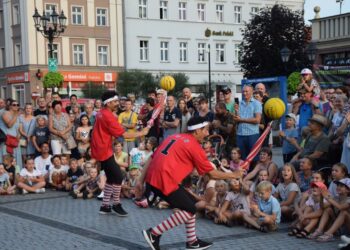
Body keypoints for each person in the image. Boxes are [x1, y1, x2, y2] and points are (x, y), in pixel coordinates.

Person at [138, 116, 243, 250]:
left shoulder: (174, 137)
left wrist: (140, 181)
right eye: (205, 130)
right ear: (196, 131)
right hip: (165, 180)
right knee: (190, 209)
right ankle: (154, 233)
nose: (207, 133)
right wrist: (234, 174)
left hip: (154, 178)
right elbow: (211, 173)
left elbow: (152, 158)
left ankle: (192, 242)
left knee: (190, 205)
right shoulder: (194, 146)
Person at [91, 91, 149, 216]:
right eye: (116, 101)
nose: (118, 103)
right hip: (104, 151)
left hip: (102, 149)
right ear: (109, 103)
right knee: (118, 177)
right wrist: (142, 133)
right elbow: (124, 134)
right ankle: (116, 204)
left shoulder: (101, 113)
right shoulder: (108, 116)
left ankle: (105, 206)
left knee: (112, 178)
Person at [234, 85, 262, 160]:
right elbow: (237, 120)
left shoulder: (256, 103)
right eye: (243, 91)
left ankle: (254, 172)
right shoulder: (239, 103)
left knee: (253, 158)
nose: (244, 93)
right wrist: (236, 112)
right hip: (240, 134)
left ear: (252, 92)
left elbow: (257, 120)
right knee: (242, 159)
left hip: (252, 134)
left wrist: (241, 119)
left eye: (246, 91)